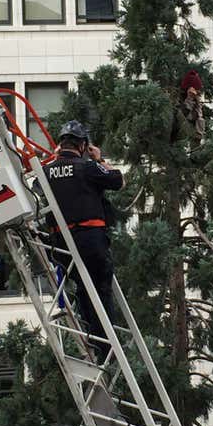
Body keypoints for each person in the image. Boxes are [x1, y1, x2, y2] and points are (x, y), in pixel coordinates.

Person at [43, 120, 124, 362]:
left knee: (83, 291)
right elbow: (117, 180)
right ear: (83, 145)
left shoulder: (46, 171)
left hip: (62, 246)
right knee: (100, 290)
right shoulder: (86, 167)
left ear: (60, 144)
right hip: (91, 242)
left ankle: (95, 344)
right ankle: (108, 347)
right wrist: (98, 159)